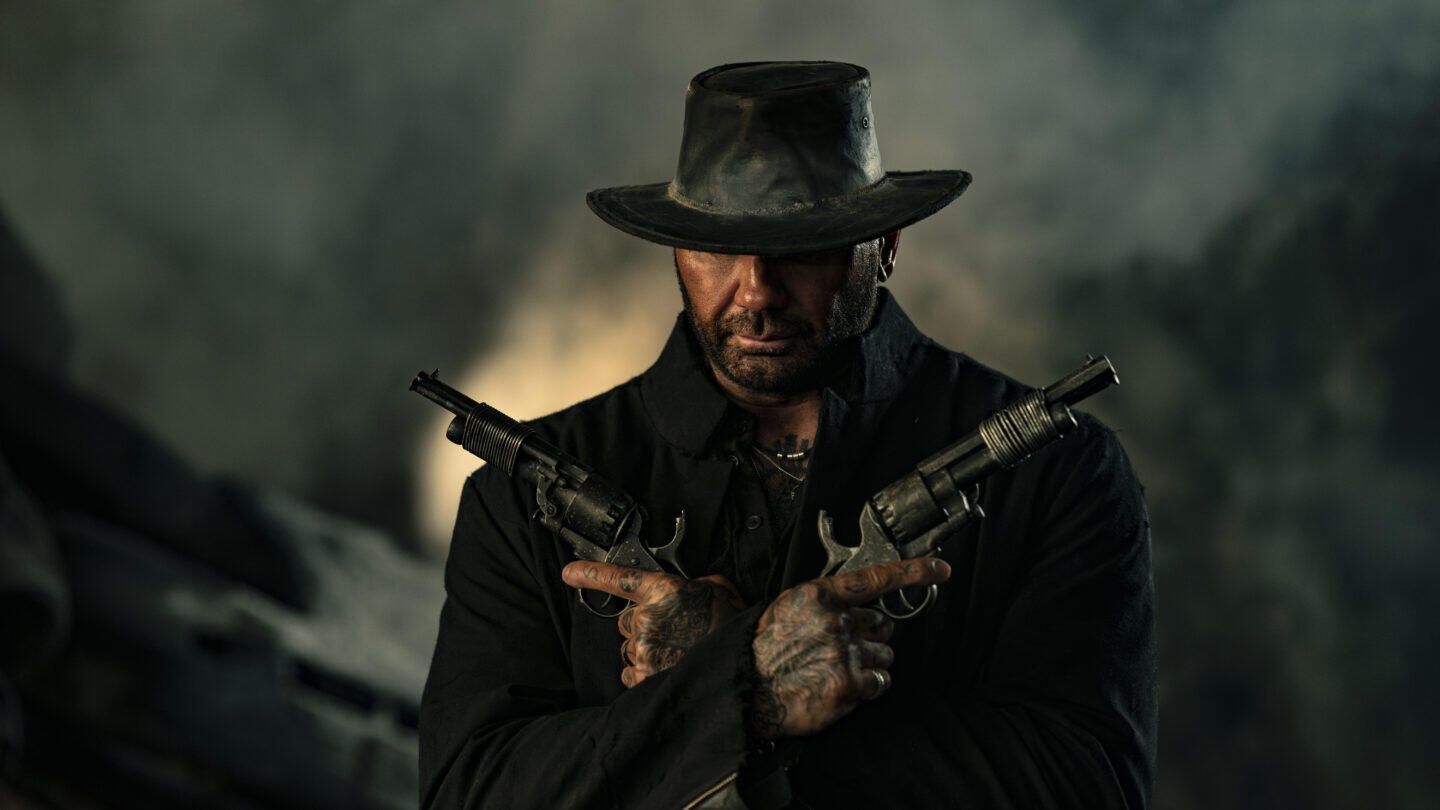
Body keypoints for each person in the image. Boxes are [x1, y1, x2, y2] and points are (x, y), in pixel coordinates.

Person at [419, 61, 1156, 809]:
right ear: (676, 249)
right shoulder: (519, 494)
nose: (757, 294)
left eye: (802, 247)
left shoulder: (1062, 473)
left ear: (885, 245)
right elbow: (469, 794)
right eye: (714, 248)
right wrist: (756, 683)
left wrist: (724, 696)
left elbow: (1092, 788)